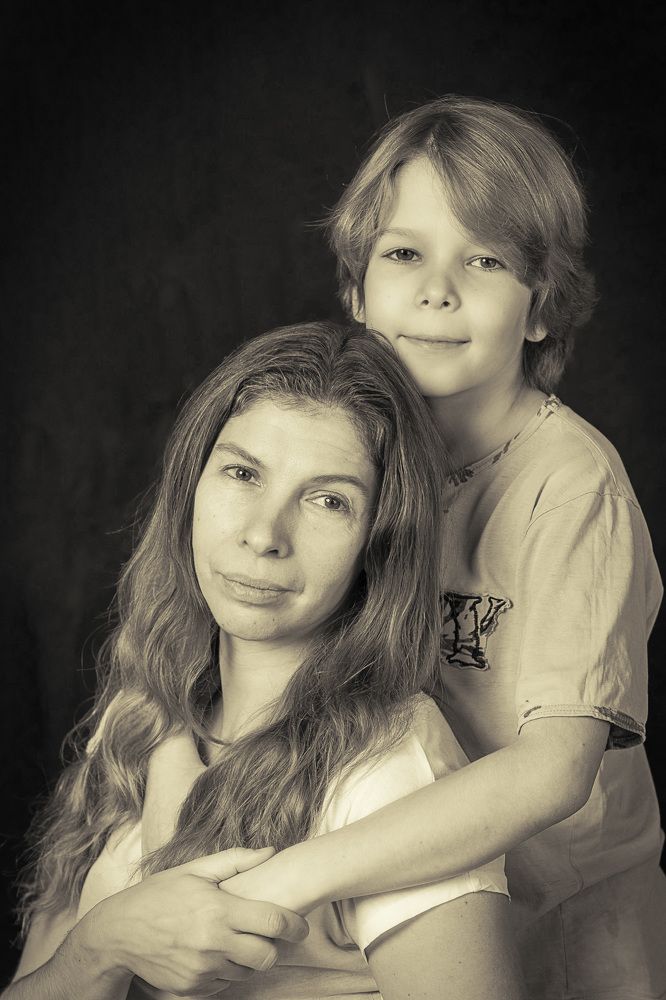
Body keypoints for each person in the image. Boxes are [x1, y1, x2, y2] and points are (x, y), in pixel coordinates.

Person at [145, 97, 666, 998]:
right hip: (405, 882)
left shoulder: (573, 488)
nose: (438, 291)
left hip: (569, 906)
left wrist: (284, 882)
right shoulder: (361, 453)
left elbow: (555, 773)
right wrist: (167, 766)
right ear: (355, 291)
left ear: (541, 309)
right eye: (404, 254)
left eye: (486, 260)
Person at [6, 322, 523, 1000]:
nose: (263, 534)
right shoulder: (142, 717)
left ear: (379, 543)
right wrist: (98, 948)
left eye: (329, 500)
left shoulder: (390, 769)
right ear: (191, 487)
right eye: (243, 473)